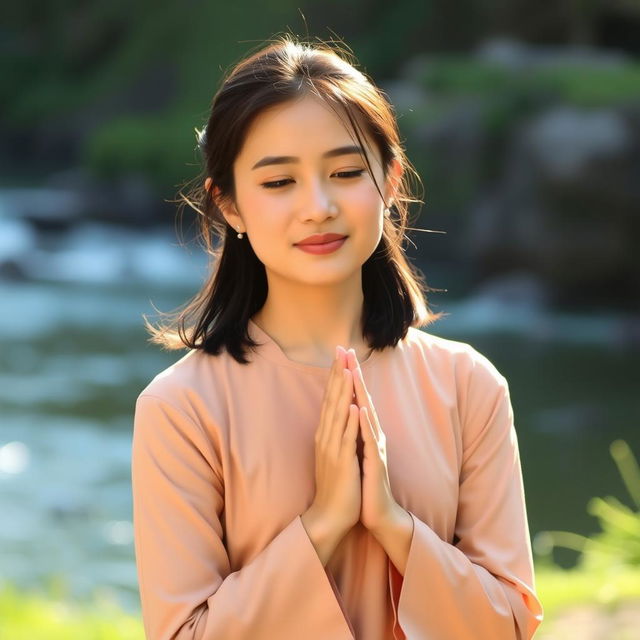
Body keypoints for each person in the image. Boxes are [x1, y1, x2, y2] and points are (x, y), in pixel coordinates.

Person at [131, 34, 544, 640]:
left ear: (391, 180)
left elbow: (509, 624)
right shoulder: (181, 409)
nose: (319, 206)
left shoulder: (468, 384)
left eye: (346, 172)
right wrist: (323, 523)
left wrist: (392, 523)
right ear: (230, 207)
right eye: (278, 183)